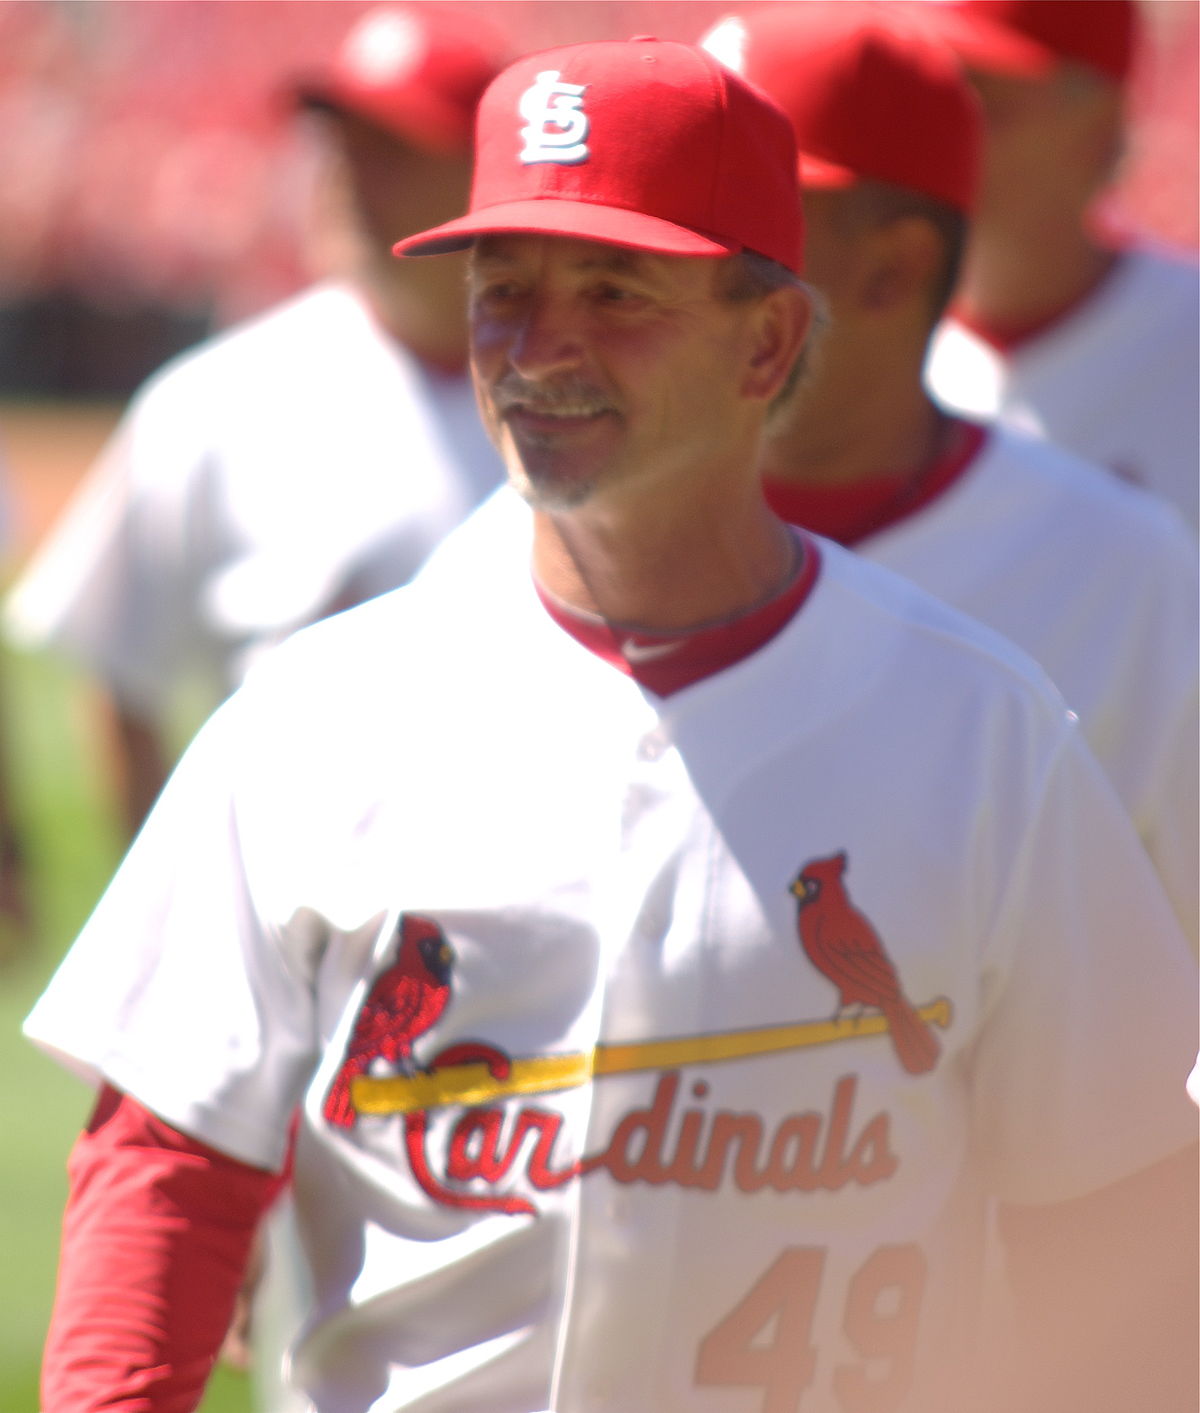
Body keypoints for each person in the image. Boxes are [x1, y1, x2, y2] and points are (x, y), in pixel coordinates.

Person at [25, 35, 1198, 1413]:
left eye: (614, 289)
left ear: (769, 339)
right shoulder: (314, 720)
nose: (540, 348)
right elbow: (163, 1170)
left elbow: (1114, 1229)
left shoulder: (988, 732)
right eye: (503, 290)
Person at [692, 1, 1198, 950]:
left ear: (1103, 123)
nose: (952, 129)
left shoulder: (1129, 554)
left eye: (984, 96)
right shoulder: (572, 522)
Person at [3, 3, 508, 838]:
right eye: (342, 145)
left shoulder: (585, 397)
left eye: (396, 149)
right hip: (302, 922)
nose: (350, 177)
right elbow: (121, 673)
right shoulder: (218, 395)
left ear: (486, 174)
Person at [916, 0, 1199, 530]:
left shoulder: (1186, 335)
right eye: (926, 97)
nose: (938, 134)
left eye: (983, 104)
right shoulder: (855, 346)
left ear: (1098, 129)